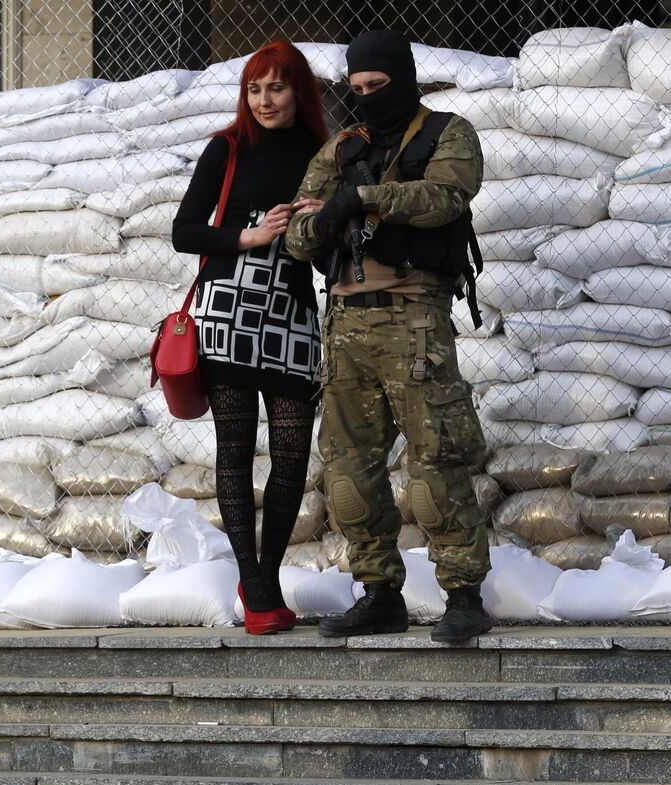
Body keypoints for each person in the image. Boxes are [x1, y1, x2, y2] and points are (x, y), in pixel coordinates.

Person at [286, 28, 493, 643]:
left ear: (402, 79)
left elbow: (446, 195)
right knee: (348, 470)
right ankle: (379, 593)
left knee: (437, 462)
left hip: (414, 320)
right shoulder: (341, 147)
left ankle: (463, 595)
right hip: (346, 322)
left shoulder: (447, 132)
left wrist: (362, 199)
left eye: (378, 87)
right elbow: (297, 237)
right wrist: (328, 216)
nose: (368, 98)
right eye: (357, 89)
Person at [172, 39, 329, 635]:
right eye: (254, 89)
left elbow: (328, 251)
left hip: (292, 316)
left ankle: (263, 574)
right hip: (228, 314)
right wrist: (249, 236)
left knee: (291, 453)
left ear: (300, 92)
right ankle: (259, 589)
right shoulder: (227, 147)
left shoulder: (324, 153)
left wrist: (320, 221)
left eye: (276, 87)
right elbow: (184, 231)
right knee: (234, 450)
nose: (264, 100)